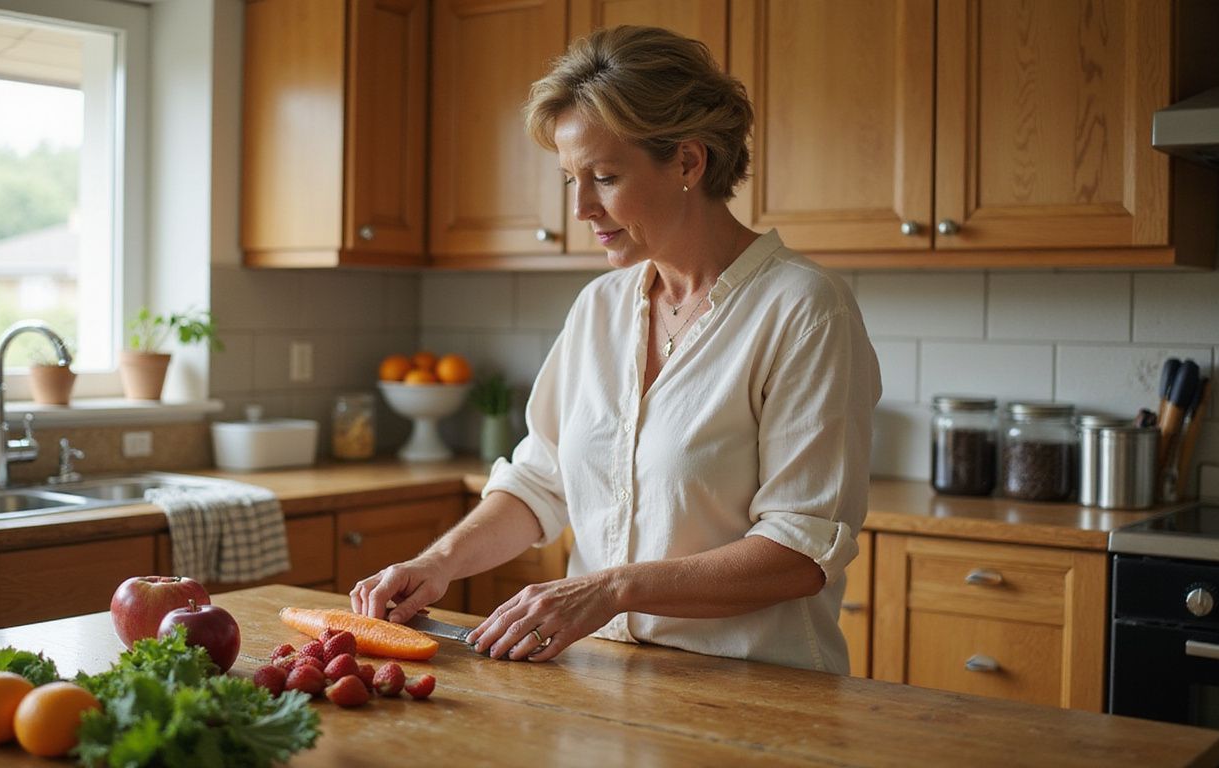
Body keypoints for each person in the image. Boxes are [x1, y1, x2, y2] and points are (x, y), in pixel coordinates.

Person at [351, 25, 881, 673]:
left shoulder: (804, 307)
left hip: (755, 689)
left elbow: (799, 551)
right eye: (571, 179)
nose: (581, 209)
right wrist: (439, 563)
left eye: (603, 177)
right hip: (600, 681)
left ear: (688, 162)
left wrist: (610, 588)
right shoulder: (600, 307)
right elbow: (541, 482)